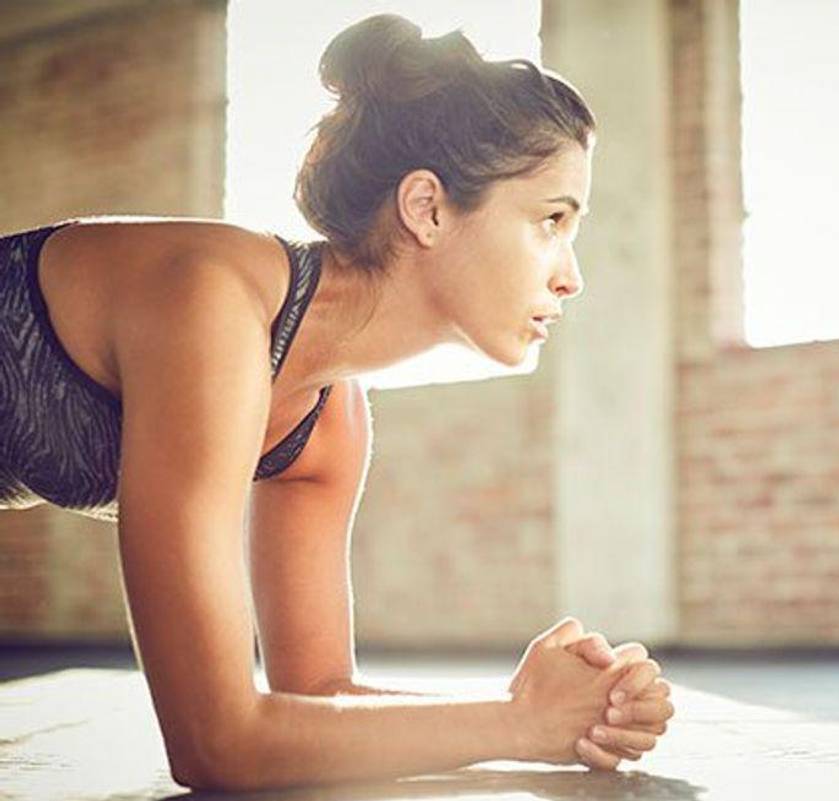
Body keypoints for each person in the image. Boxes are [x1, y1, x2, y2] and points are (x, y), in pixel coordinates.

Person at [0, 13, 674, 791]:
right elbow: (216, 742)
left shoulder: (328, 421)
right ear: (427, 207)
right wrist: (519, 722)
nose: (570, 276)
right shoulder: (211, 304)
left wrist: (557, 715)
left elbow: (316, 697)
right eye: (551, 220)